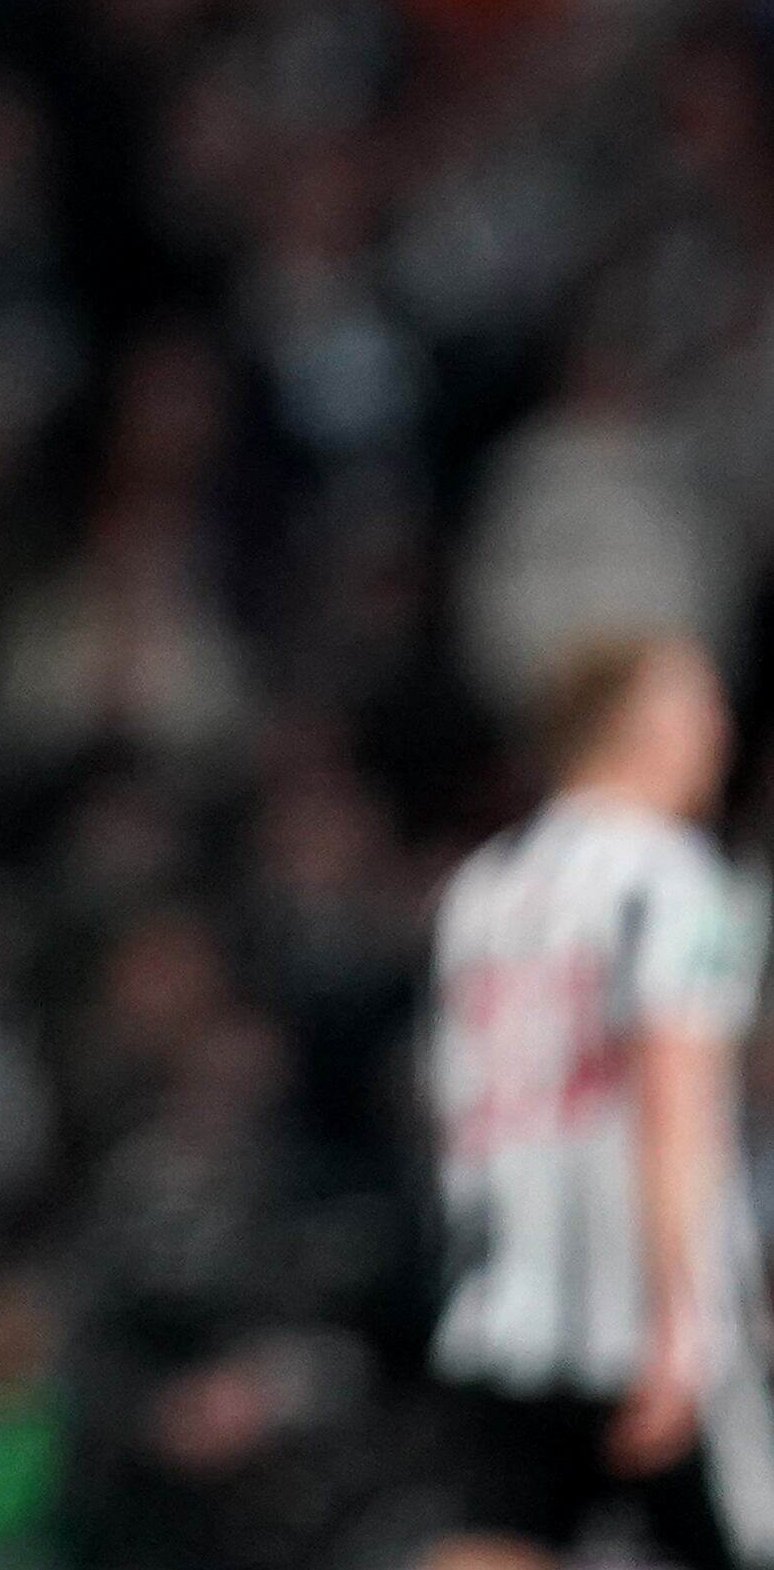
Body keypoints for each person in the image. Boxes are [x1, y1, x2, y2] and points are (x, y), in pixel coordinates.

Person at [422, 634, 774, 1569]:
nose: (719, 729)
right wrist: (684, 1325)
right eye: (697, 705)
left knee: (496, 1540)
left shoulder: (482, 884)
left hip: (504, 1300)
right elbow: (676, 1106)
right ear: (637, 726)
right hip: (638, 1312)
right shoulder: (677, 880)